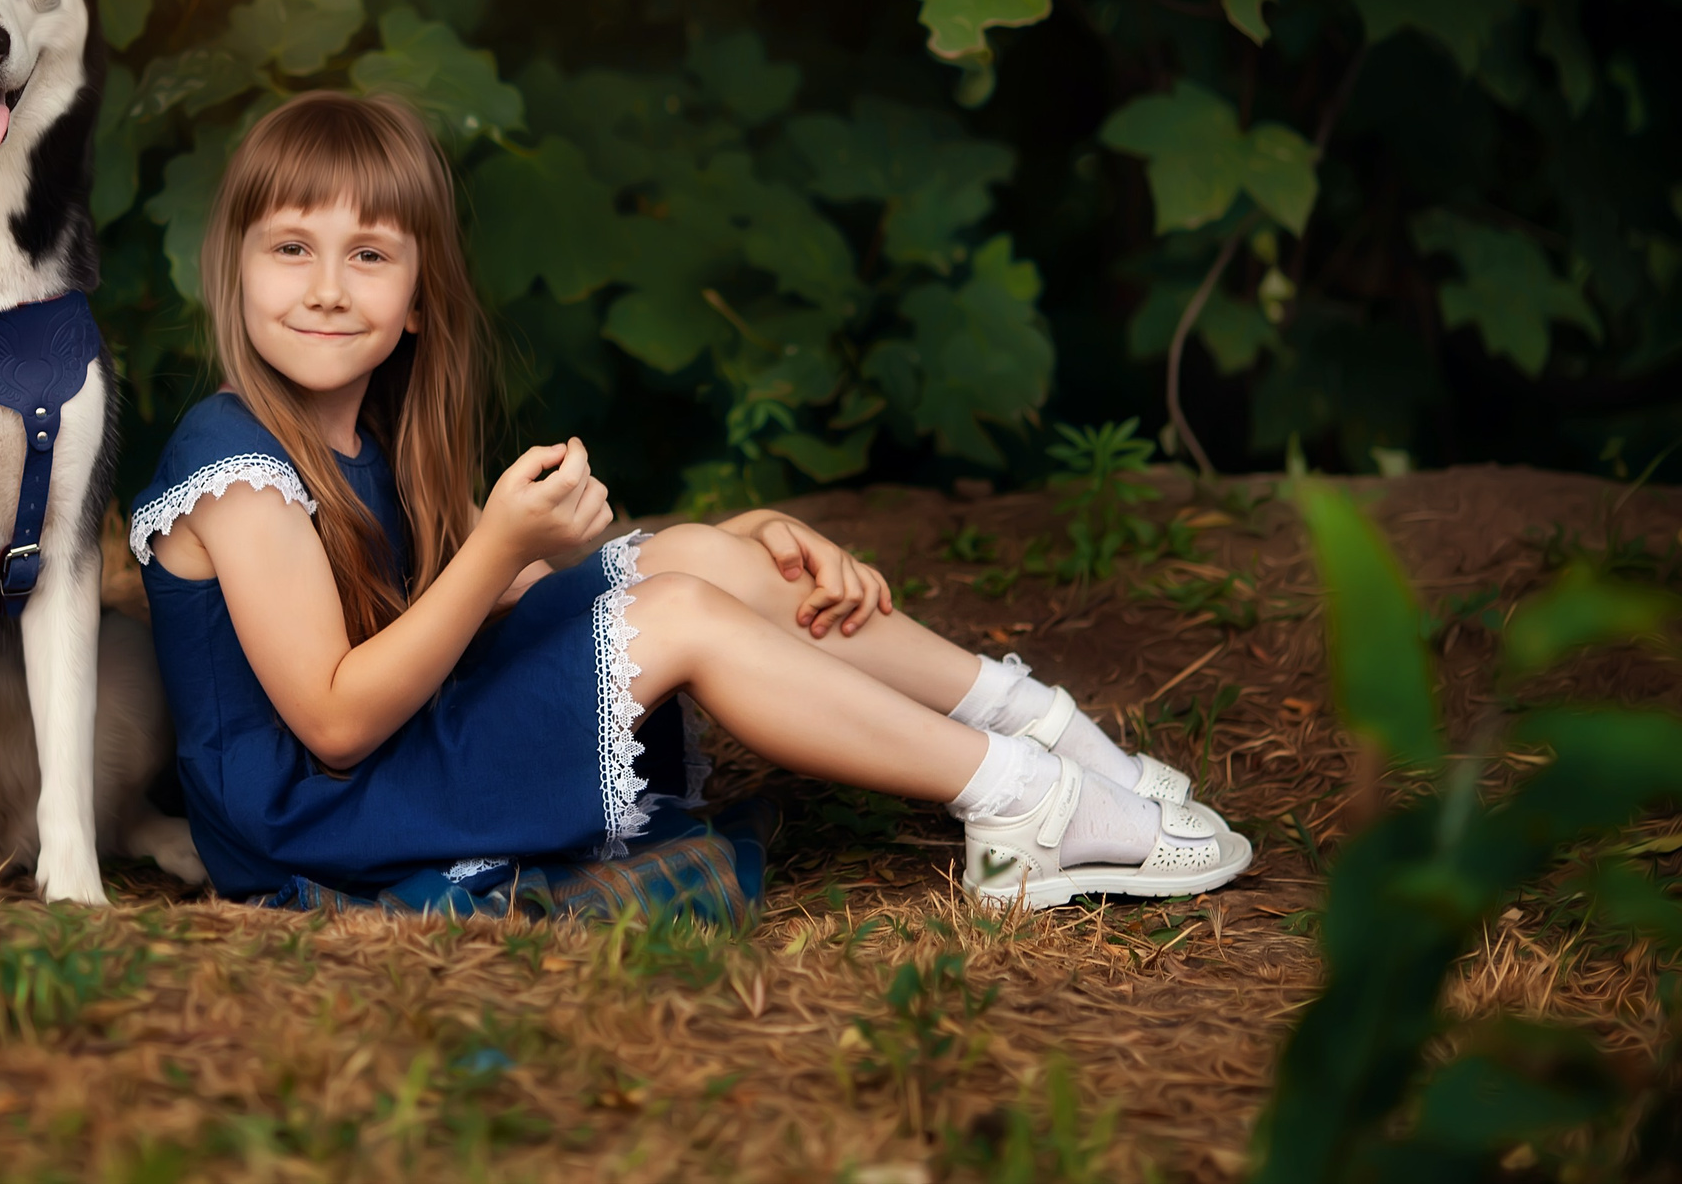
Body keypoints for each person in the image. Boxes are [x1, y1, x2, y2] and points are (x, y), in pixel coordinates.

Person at [130, 92, 1249, 910]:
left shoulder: (369, 435)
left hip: (400, 744)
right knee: (678, 619)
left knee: (695, 568)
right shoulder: (232, 467)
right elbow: (331, 725)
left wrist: (729, 542)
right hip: (321, 819)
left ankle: (1030, 722)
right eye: (290, 248)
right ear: (233, 271)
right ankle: (1021, 803)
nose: (326, 287)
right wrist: (498, 551)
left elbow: (467, 601)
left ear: (421, 300)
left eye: (367, 254)